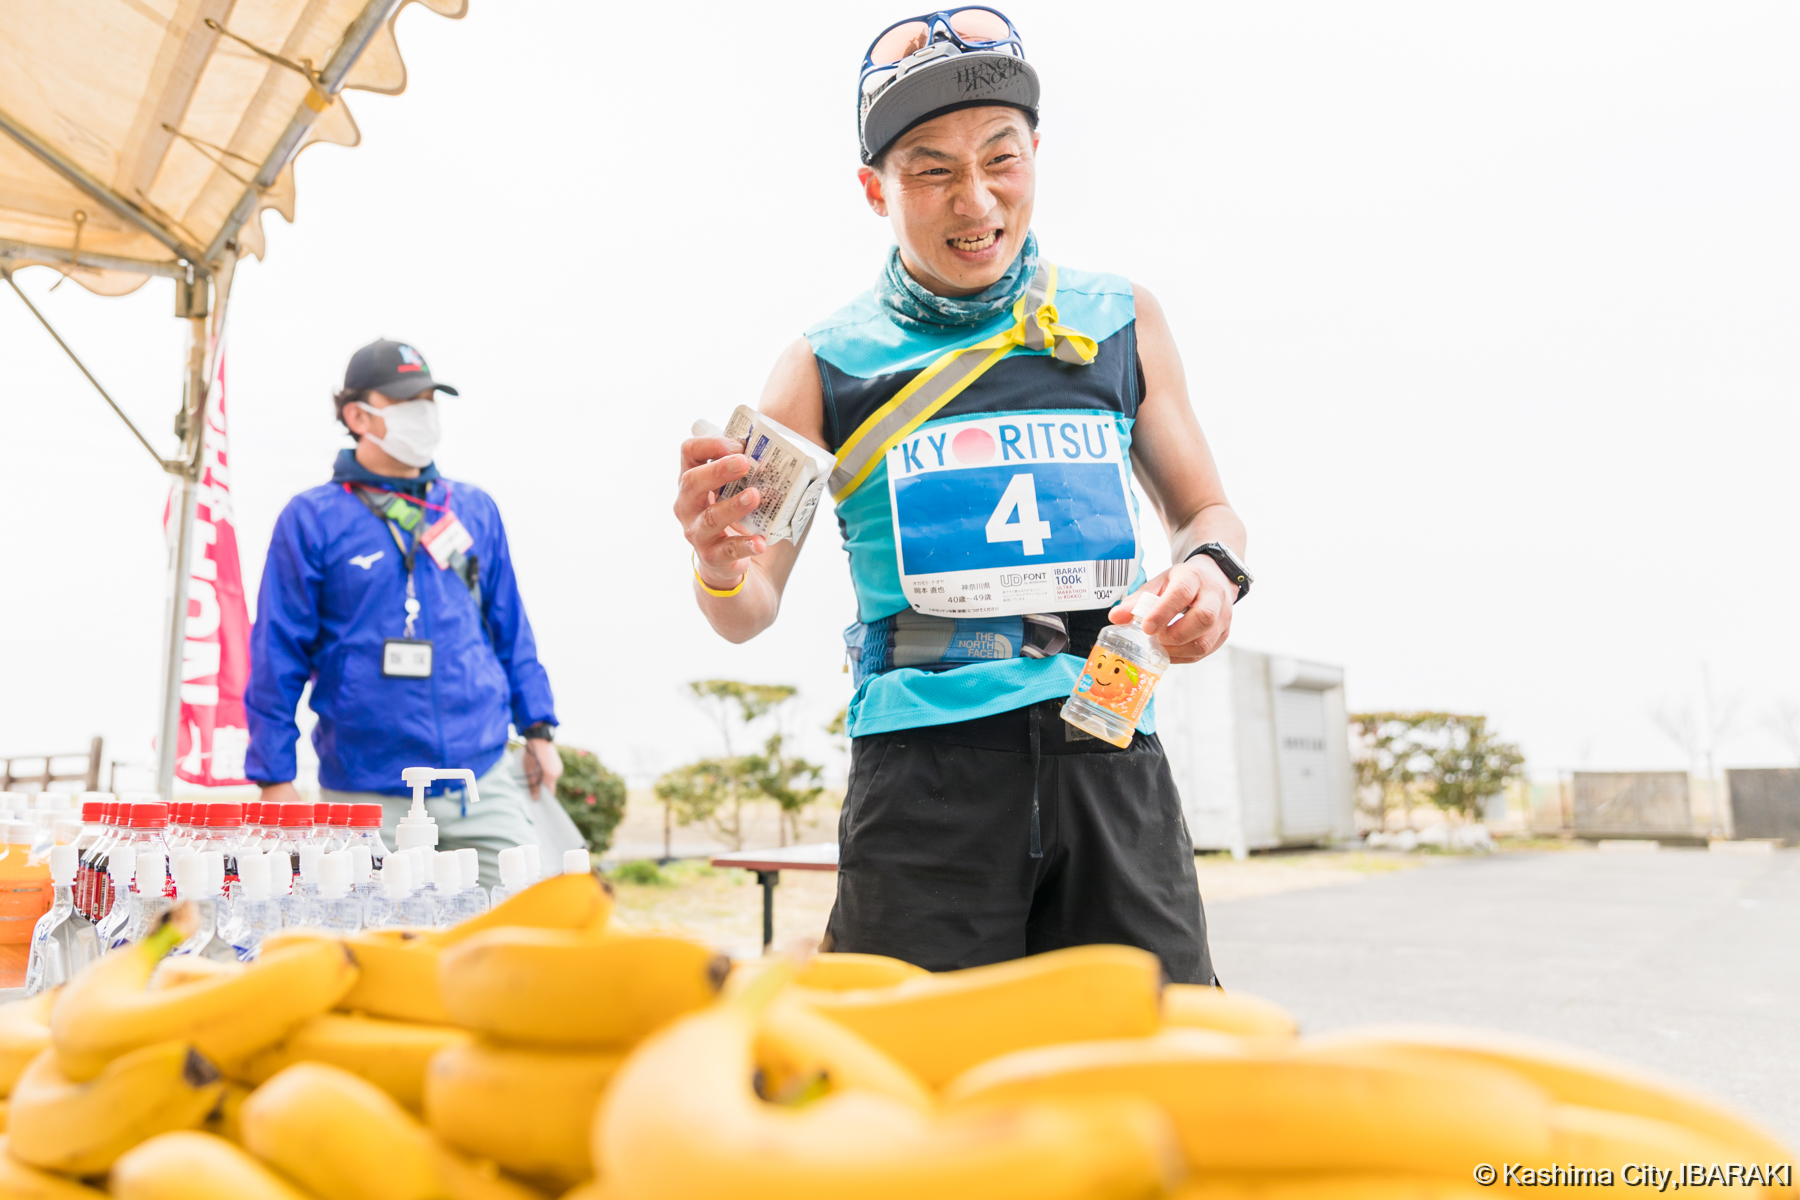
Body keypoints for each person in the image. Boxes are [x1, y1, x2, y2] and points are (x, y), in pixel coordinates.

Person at [675, 9, 1252, 984]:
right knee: (911, 1093)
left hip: (1109, 740)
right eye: (931, 170)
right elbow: (746, 613)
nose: (974, 200)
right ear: (874, 189)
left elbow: (1208, 513)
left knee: (1158, 1070)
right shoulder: (818, 366)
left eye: (1001, 158)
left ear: (1037, 154)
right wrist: (718, 563)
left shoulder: (1120, 318)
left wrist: (1211, 573)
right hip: (922, 777)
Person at [246, 339, 564, 887]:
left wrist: (538, 728)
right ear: (357, 415)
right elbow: (277, 654)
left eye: (428, 398)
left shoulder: (473, 509)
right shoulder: (311, 518)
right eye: (405, 400)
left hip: (479, 778)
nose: (423, 412)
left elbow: (510, 628)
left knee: (524, 931)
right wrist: (274, 777)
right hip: (366, 792)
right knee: (374, 948)